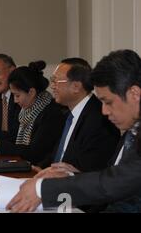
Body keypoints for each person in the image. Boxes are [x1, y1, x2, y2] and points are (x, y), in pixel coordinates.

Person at [7, 50, 141, 213]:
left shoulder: (122, 128)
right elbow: (113, 177)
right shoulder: (132, 129)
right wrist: (71, 176)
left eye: (108, 102)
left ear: (134, 94)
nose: (104, 111)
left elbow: (115, 184)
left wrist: (43, 189)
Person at [35, 58, 120, 172]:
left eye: (56, 81)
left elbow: (91, 169)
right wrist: (40, 168)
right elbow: (59, 154)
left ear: (76, 87)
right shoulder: (69, 114)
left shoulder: (99, 119)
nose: (52, 86)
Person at [0, 61, 68, 164]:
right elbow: (15, 140)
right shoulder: (25, 111)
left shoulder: (51, 114)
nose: (15, 101)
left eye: (17, 95)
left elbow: (34, 153)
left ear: (31, 92)